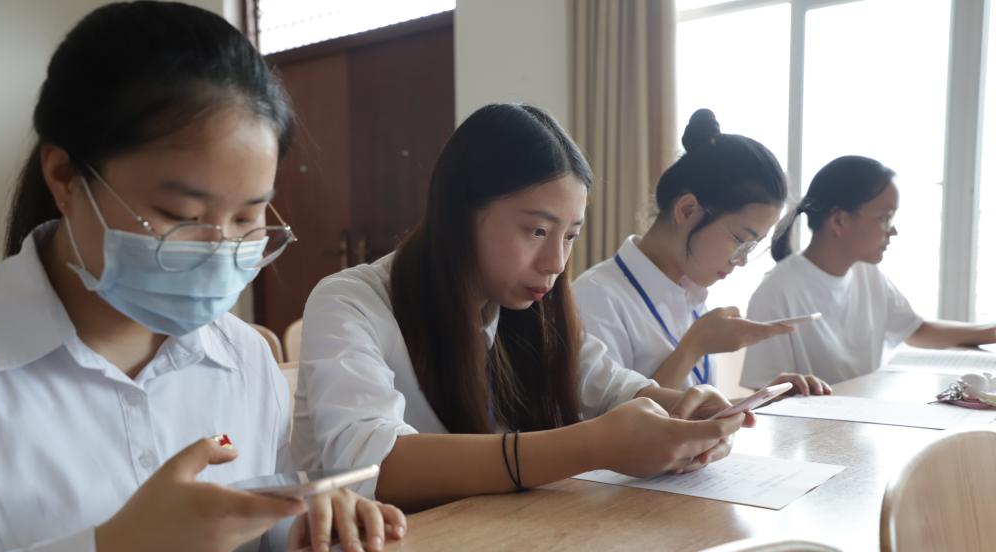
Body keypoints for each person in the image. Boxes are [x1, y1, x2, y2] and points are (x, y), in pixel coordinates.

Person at [0, 1, 403, 552]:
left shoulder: (244, 360)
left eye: (249, 218)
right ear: (65, 177)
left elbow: (250, 526)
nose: (220, 249)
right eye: (179, 215)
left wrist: (298, 525)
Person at [292, 103, 751, 514]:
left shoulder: (531, 307)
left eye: (570, 236)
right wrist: (592, 445)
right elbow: (373, 467)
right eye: (537, 231)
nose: (556, 263)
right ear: (459, 214)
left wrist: (690, 414)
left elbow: (610, 385)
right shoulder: (350, 302)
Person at [575, 109, 830, 396]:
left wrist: (764, 399)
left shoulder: (690, 295)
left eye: (752, 247)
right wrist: (693, 347)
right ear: (687, 210)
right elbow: (615, 420)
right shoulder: (596, 298)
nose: (742, 260)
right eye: (740, 240)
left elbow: (692, 410)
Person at [741, 155, 996, 387]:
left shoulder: (868, 275)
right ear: (839, 220)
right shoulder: (777, 292)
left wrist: (990, 332)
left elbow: (917, 331)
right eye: (885, 218)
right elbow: (764, 391)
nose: (893, 231)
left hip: (867, 413)